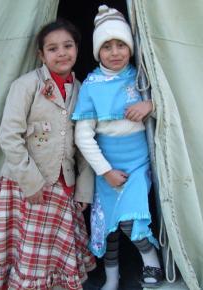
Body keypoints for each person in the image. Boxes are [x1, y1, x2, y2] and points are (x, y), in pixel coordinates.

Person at [0, 19, 96, 290]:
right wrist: (31, 182)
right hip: (24, 187)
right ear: (41, 55)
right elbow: (9, 135)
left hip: (64, 187)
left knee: (50, 255)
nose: (61, 53)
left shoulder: (83, 90)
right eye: (52, 49)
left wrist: (83, 189)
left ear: (77, 48)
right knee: (23, 252)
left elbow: (85, 142)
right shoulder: (26, 85)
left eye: (68, 46)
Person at [72, 5, 163, 290]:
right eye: (107, 46)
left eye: (121, 45)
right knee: (107, 227)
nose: (114, 52)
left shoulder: (142, 77)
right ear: (97, 51)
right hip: (107, 168)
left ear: (131, 48)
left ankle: (153, 263)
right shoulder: (91, 86)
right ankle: (112, 279)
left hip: (137, 164)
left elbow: (172, 106)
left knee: (131, 220)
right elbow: (83, 136)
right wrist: (106, 171)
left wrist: (151, 104)